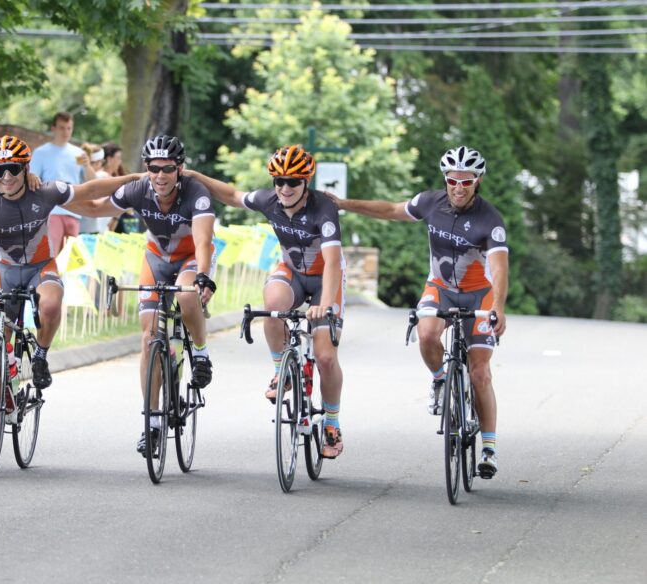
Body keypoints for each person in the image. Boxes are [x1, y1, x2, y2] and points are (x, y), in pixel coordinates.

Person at [0, 135, 139, 449]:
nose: (6, 177)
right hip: (5, 272)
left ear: (25, 168)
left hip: (40, 267)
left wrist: (135, 178)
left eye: (12, 168)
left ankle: (40, 355)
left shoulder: (44, 190)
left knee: (50, 305)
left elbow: (89, 191)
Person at [330, 145, 508, 479]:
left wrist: (497, 308)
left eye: (466, 182)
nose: (458, 187)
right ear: (445, 179)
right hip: (440, 288)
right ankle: (440, 380)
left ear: (477, 182)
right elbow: (388, 209)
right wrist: (343, 203)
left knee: (480, 373)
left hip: (479, 296)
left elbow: (498, 270)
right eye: (452, 180)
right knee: (426, 333)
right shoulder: (430, 202)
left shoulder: (490, 220)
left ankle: (489, 448)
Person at [185, 145, 348, 459]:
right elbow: (232, 195)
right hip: (292, 271)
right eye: (279, 181)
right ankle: (280, 370)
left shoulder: (323, 208)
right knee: (272, 305)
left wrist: (324, 305)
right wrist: (194, 175)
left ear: (306, 182)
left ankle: (331, 423)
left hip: (325, 276)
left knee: (326, 358)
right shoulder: (268, 200)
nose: (285, 188)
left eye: (293, 182)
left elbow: (331, 262)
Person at [66, 135, 216, 456]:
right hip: (156, 259)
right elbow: (94, 206)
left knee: (188, 297)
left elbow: (203, 241)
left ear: (180, 169)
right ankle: (152, 424)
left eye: (168, 168)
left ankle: (201, 353)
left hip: (191, 259)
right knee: (149, 338)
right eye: (153, 168)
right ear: (146, 168)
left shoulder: (196, 193)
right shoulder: (138, 189)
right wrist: (54, 199)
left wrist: (203, 275)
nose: (160, 175)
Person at [30, 112, 96, 253]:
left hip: (75, 211)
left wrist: (87, 165)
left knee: (71, 261)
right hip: (51, 211)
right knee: (51, 255)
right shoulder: (41, 152)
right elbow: (32, 180)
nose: (66, 132)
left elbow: (92, 181)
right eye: (61, 128)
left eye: (69, 128)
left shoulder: (77, 153)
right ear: (53, 128)